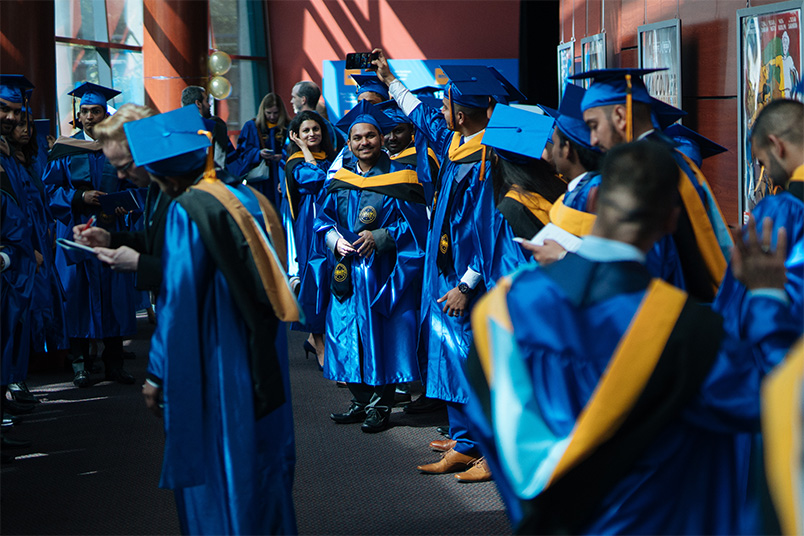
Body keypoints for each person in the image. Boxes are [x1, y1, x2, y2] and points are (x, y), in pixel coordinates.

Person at [471, 140, 799, 534]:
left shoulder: (501, 311)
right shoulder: (687, 330)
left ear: (592, 204)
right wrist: (766, 295)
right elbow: (772, 401)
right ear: (670, 222)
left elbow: (493, 432)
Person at [130, 105, 299, 535]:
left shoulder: (189, 210)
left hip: (219, 358)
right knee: (265, 464)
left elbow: (179, 299)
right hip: (264, 355)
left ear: (166, 179)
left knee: (225, 467)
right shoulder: (251, 198)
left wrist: (156, 374)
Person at [373, 53, 508, 480]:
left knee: (472, 355)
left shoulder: (486, 161)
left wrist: (467, 285)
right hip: (445, 267)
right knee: (449, 352)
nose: (441, 112)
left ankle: (483, 444)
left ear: (463, 115)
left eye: (447, 106)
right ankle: (464, 438)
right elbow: (424, 116)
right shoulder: (458, 143)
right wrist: (390, 81)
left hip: (470, 275)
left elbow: (487, 232)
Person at [569, 68, 733, 302]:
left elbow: (649, 260)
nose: (593, 140)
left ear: (620, 116)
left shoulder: (643, 170)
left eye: (594, 125)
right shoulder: (673, 157)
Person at [317, 101, 428, 433]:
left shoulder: (400, 178)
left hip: (381, 274)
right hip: (347, 272)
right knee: (346, 334)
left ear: (381, 138)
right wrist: (334, 240)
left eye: (370, 136)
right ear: (348, 143)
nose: (363, 143)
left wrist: (380, 236)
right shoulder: (340, 178)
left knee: (379, 336)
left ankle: (381, 404)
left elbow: (416, 227)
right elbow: (322, 220)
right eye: (356, 138)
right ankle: (361, 400)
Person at [42, 82, 138, 387]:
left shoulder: (117, 148)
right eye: (84, 111)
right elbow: (48, 190)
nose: (89, 116)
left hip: (110, 231)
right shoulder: (65, 149)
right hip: (76, 234)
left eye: (95, 110)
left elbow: (133, 188)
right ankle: (80, 365)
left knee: (114, 299)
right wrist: (79, 198)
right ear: (78, 115)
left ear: (104, 114)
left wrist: (127, 206)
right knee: (76, 298)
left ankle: (114, 364)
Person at [71, 103, 173, 302]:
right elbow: (159, 240)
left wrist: (139, 263)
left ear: (146, 152)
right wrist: (110, 239)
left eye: (124, 166)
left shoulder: (187, 194)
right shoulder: (162, 187)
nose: (120, 175)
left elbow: (195, 268)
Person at [284, 110, 336, 368]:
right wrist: (303, 149)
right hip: (310, 224)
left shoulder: (331, 156)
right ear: (296, 135)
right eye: (305, 131)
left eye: (315, 129)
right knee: (315, 279)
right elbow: (316, 180)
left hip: (334, 220)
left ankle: (322, 341)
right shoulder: (295, 162)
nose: (312, 134)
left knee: (334, 278)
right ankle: (319, 343)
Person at [232, 92, 289, 208]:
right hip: (261, 180)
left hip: (282, 175)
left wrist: (283, 156)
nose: (272, 117)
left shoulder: (288, 126)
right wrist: (258, 153)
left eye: (276, 113)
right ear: (263, 111)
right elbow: (242, 152)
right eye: (269, 113)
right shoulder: (252, 127)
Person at [180, 85, 235, 170]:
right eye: (206, 101)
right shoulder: (214, 124)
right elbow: (220, 159)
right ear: (198, 103)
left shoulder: (180, 130)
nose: (209, 105)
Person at [290, 80, 345, 151]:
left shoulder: (324, 126)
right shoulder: (329, 125)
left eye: (294, 97)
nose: (291, 101)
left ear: (303, 100)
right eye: (306, 130)